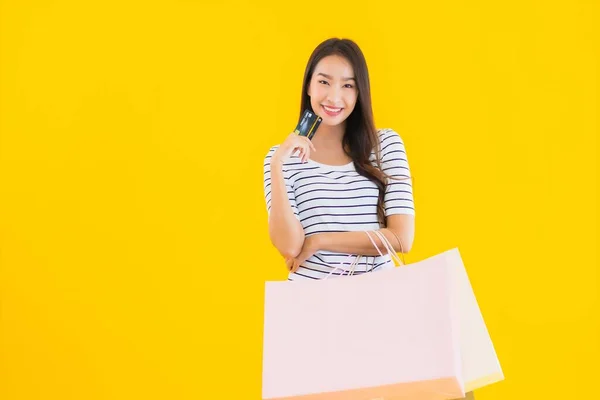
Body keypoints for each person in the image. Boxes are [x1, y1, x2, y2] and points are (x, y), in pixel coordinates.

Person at [262, 38, 474, 399]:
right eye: (324, 81)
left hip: (383, 308)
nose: (334, 97)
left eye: (348, 85)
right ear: (308, 85)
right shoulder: (279, 159)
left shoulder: (384, 144)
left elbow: (402, 238)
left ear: (360, 93)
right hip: (315, 314)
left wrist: (322, 240)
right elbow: (289, 246)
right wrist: (280, 165)